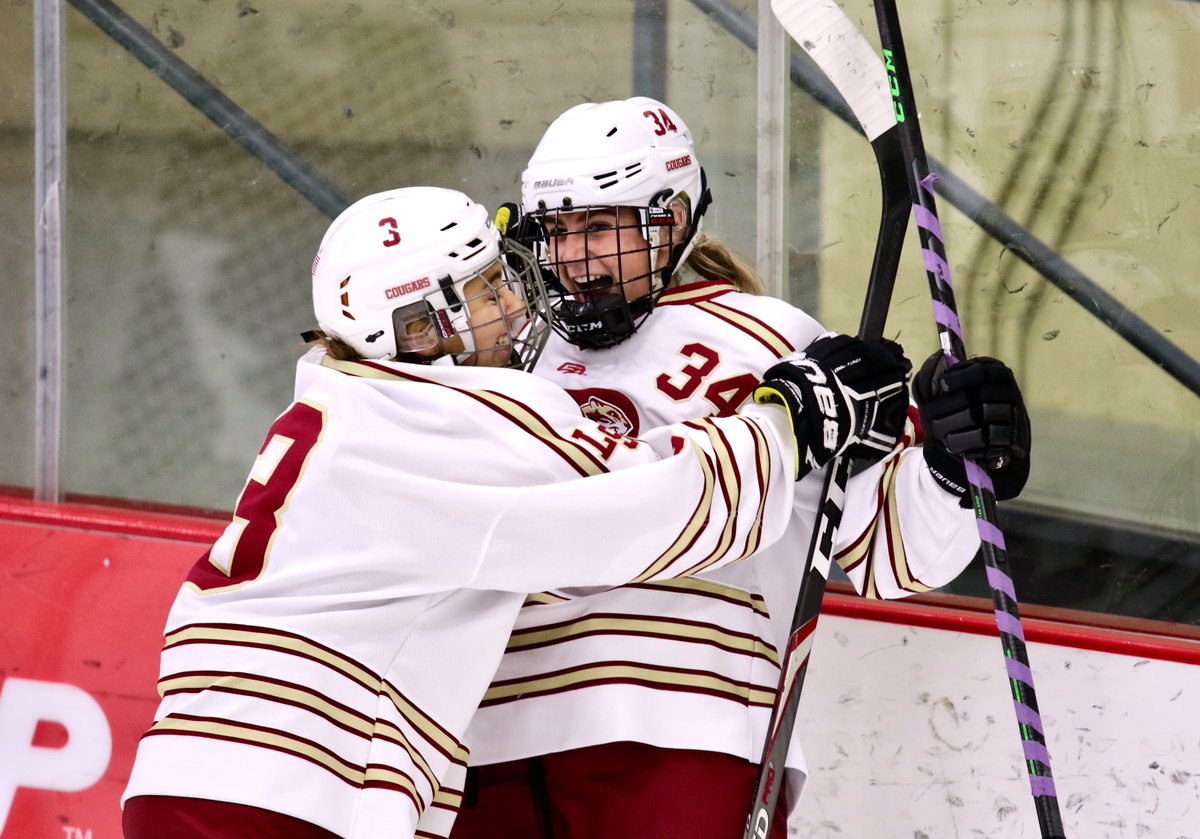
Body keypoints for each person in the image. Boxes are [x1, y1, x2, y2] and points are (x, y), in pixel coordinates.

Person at [119, 185, 912, 839]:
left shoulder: (349, 402)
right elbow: (645, 510)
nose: (514, 301)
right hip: (283, 792)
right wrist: (793, 418)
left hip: (211, 775)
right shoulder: (451, 421)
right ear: (421, 326)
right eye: (486, 289)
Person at [449, 98, 1033, 838]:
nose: (573, 258)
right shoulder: (509, 356)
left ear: (669, 219)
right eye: (557, 231)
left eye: (598, 226)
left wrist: (955, 463)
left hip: (684, 726)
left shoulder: (775, 346)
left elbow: (892, 552)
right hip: (483, 737)